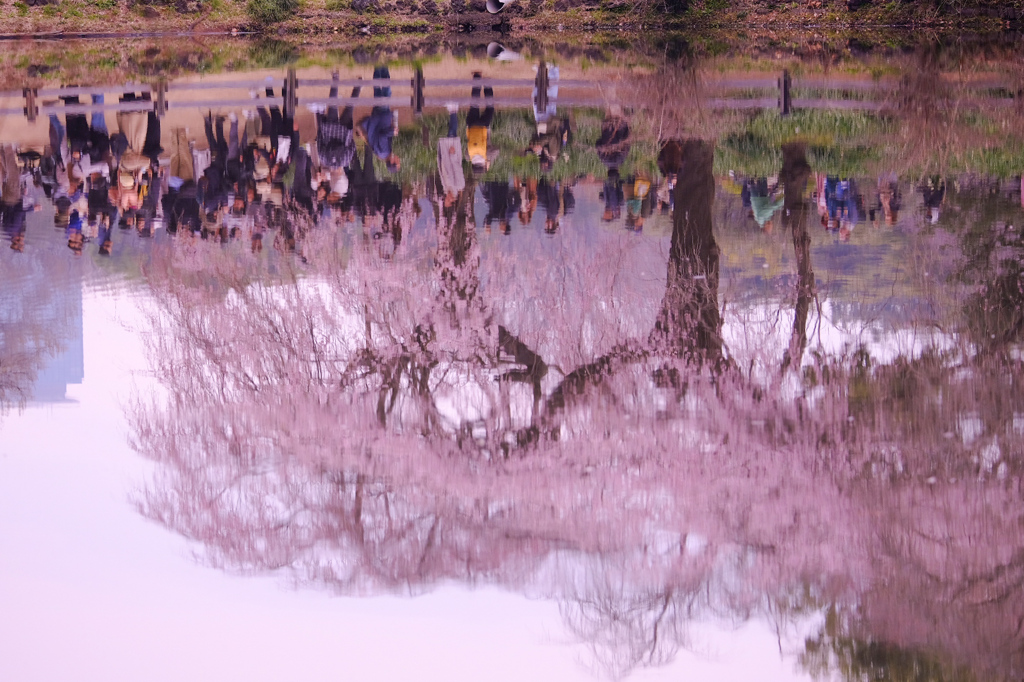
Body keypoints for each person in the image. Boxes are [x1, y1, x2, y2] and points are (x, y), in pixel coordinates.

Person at [314, 72, 360, 205]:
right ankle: (336, 77)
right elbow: (320, 143)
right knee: (333, 104)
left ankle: (357, 86)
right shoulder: (325, 159)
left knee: (350, 108)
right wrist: (322, 130)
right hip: (329, 131)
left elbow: (352, 147)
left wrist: (348, 137)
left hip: (344, 133)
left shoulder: (345, 160)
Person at [357, 65, 401, 173]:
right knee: (377, 91)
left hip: (381, 116)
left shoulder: (384, 152)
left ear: (392, 162)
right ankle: (378, 66)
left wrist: (392, 131)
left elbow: (382, 136)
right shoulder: (381, 154)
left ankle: (382, 65)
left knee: (386, 91)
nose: (399, 159)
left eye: (398, 162)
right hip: (377, 116)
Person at [465, 72, 498, 175]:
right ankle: (477, 78)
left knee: (490, 107)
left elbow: (497, 150)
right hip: (470, 125)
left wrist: (488, 161)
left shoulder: (487, 156)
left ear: (483, 166)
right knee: (474, 103)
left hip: (484, 126)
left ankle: (487, 83)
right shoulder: (468, 157)